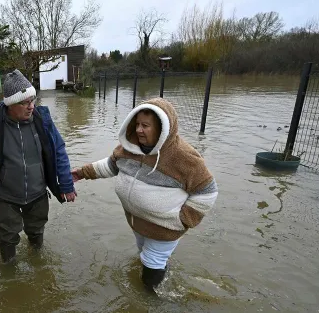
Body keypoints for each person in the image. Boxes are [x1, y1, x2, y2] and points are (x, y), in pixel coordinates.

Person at [71, 98, 218, 291]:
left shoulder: (184, 157)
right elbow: (111, 165)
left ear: (162, 128)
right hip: (137, 222)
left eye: (145, 126)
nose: (139, 130)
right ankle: (161, 276)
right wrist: (81, 173)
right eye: (137, 124)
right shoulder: (129, 147)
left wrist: (183, 219)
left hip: (164, 229)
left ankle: (153, 299)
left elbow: (208, 191)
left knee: (149, 276)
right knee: (144, 256)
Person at [0, 69, 77, 264]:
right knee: (8, 237)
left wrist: (67, 185)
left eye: (33, 100)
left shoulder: (42, 121)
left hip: (37, 194)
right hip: (5, 197)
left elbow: (58, 150)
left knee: (37, 232)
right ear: (10, 104)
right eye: (25, 102)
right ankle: (9, 273)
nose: (31, 107)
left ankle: (38, 266)